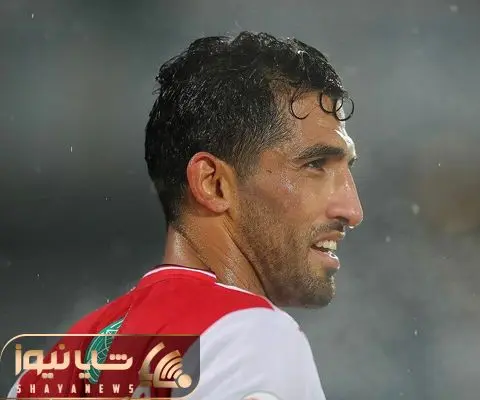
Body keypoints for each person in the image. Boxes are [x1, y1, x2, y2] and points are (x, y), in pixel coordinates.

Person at [7, 31, 363, 400]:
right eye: (315, 165)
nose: (352, 211)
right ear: (213, 184)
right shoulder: (252, 340)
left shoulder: (48, 370)